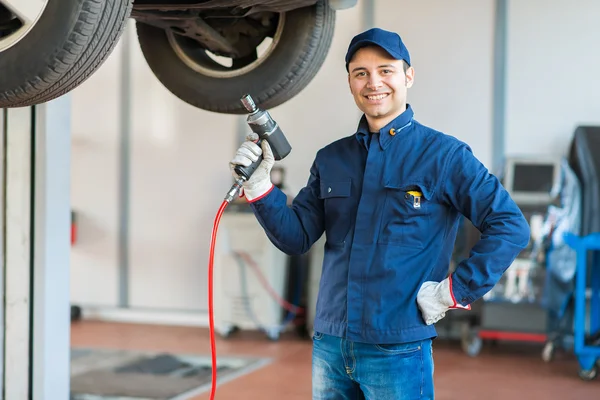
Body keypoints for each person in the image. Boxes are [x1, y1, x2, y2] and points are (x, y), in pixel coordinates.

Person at [229, 27, 530, 399]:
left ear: (408, 76)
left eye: (386, 70)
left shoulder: (444, 156)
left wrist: (454, 291)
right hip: (330, 344)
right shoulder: (332, 158)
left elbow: (510, 226)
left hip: (399, 346)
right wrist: (260, 188)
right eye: (361, 73)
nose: (374, 83)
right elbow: (296, 237)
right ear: (351, 83)